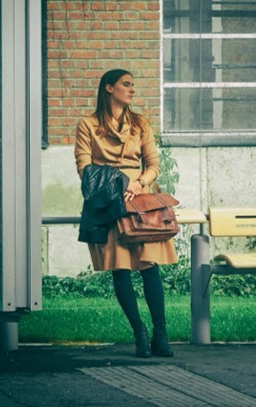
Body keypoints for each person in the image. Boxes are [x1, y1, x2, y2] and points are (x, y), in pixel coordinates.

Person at [74, 69, 177, 358]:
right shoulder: (88, 124)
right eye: (126, 85)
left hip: (141, 201)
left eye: (133, 85)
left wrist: (141, 182)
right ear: (109, 88)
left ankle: (161, 334)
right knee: (120, 268)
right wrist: (123, 183)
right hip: (109, 201)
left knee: (149, 266)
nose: (132, 90)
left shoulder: (140, 123)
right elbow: (84, 168)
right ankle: (139, 334)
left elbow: (154, 164)